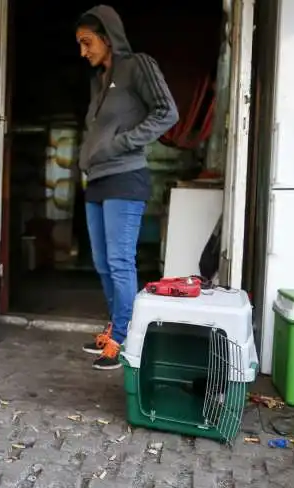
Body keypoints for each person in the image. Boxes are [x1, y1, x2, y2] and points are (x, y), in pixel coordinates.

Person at [75, 5, 178, 370]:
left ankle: (124, 338)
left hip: (125, 176)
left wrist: (122, 143)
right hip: (98, 179)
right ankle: (116, 327)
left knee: (120, 262)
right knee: (103, 263)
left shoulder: (138, 65)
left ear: (107, 37)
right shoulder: (98, 82)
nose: (83, 51)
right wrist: (86, 158)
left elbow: (167, 112)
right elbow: (97, 132)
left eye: (87, 42)